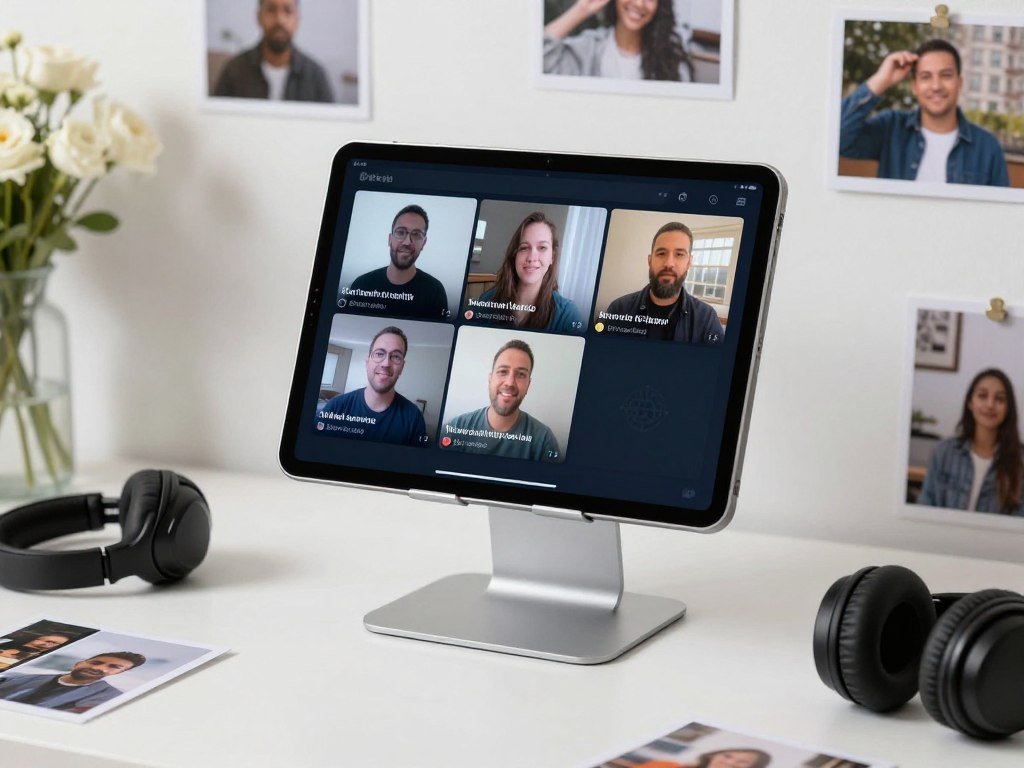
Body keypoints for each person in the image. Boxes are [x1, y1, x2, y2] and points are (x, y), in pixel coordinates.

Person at [839, 38, 1009, 186]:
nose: (936, 86)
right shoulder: (890, 128)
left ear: (960, 82)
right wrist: (880, 81)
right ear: (914, 86)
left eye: (946, 75)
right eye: (926, 77)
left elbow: (1000, 214)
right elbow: (837, 138)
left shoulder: (988, 147)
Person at [918, 368, 1024, 516]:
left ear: (1008, 409)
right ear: (970, 403)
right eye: (982, 396)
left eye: (1000, 399)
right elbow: (925, 508)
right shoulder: (943, 452)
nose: (990, 405)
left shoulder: (1020, 461)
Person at [605, 221, 724, 343]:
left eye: (679, 254)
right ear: (650, 261)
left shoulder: (707, 318)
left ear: (689, 262)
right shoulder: (618, 309)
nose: (669, 263)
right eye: (661, 253)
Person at [443, 340, 561, 462]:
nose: (510, 383)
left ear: (528, 385)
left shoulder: (543, 441)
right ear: (490, 379)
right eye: (503, 371)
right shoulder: (456, 428)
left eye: (521, 374)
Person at [318, 326, 429, 447]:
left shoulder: (413, 418)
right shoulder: (335, 407)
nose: (386, 363)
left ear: (402, 367)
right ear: (367, 362)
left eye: (396, 356)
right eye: (379, 354)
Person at [475, 212, 583, 333]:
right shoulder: (487, 300)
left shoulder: (567, 315)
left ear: (552, 257)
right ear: (515, 255)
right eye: (524, 248)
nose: (531, 257)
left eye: (542, 247)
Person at [213, 0, 333, 103]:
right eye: (271, 10)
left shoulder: (315, 76)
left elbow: (330, 126)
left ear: (297, 19)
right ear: (259, 17)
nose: (279, 20)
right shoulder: (234, 71)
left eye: (288, 10)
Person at [344, 205, 450, 320]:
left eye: (416, 235)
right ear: (390, 239)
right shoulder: (362, 285)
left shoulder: (435, 292)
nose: (407, 242)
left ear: (424, 243)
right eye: (400, 232)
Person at [543, 0, 692, 81]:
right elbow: (539, 59)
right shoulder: (589, 49)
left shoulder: (672, 60)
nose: (639, 3)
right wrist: (582, 8)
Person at [0, 651, 145, 712]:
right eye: (96, 662)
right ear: (79, 663)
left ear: (119, 673)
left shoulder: (109, 697)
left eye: (113, 667)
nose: (100, 668)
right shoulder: (19, 676)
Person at [635, 748, 772, 768]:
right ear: (713, 754)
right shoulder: (665, 766)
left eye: (743, 762)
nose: (730, 762)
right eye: (727, 755)